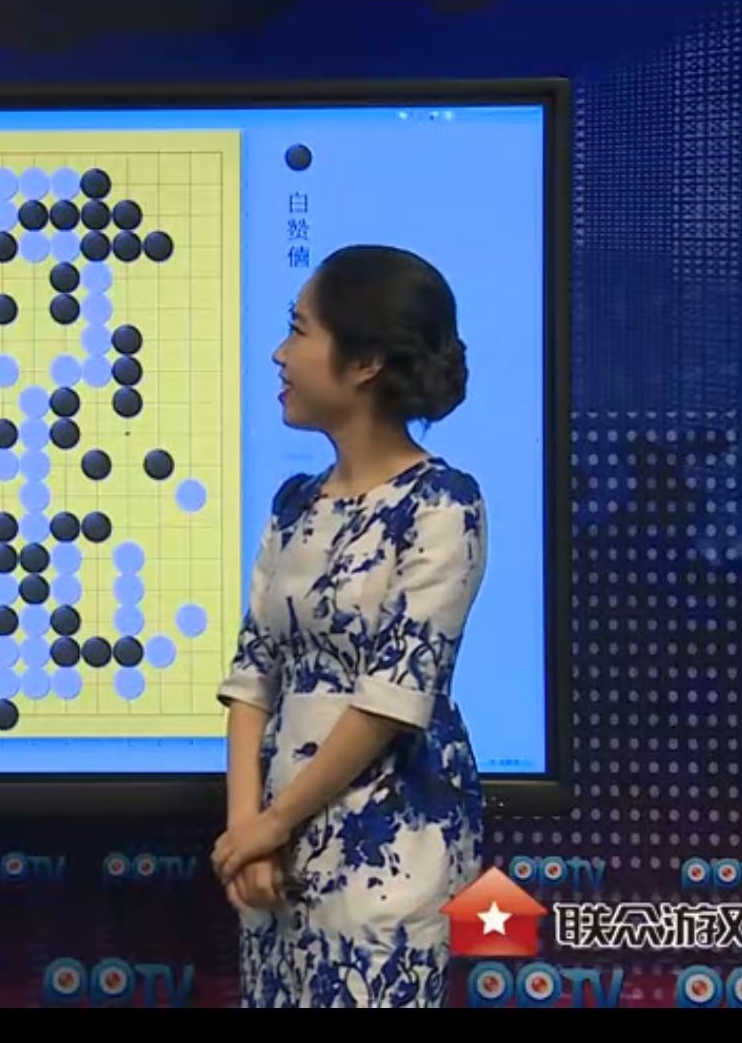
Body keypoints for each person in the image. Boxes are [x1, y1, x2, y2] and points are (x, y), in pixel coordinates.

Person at [210, 245, 486, 1008]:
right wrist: (246, 834)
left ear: (365, 363)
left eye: (298, 330)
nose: (279, 353)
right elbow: (252, 676)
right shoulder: (293, 504)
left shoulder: (443, 503)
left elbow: (394, 697)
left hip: (387, 853)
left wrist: (273, 823)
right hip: (274, 857)